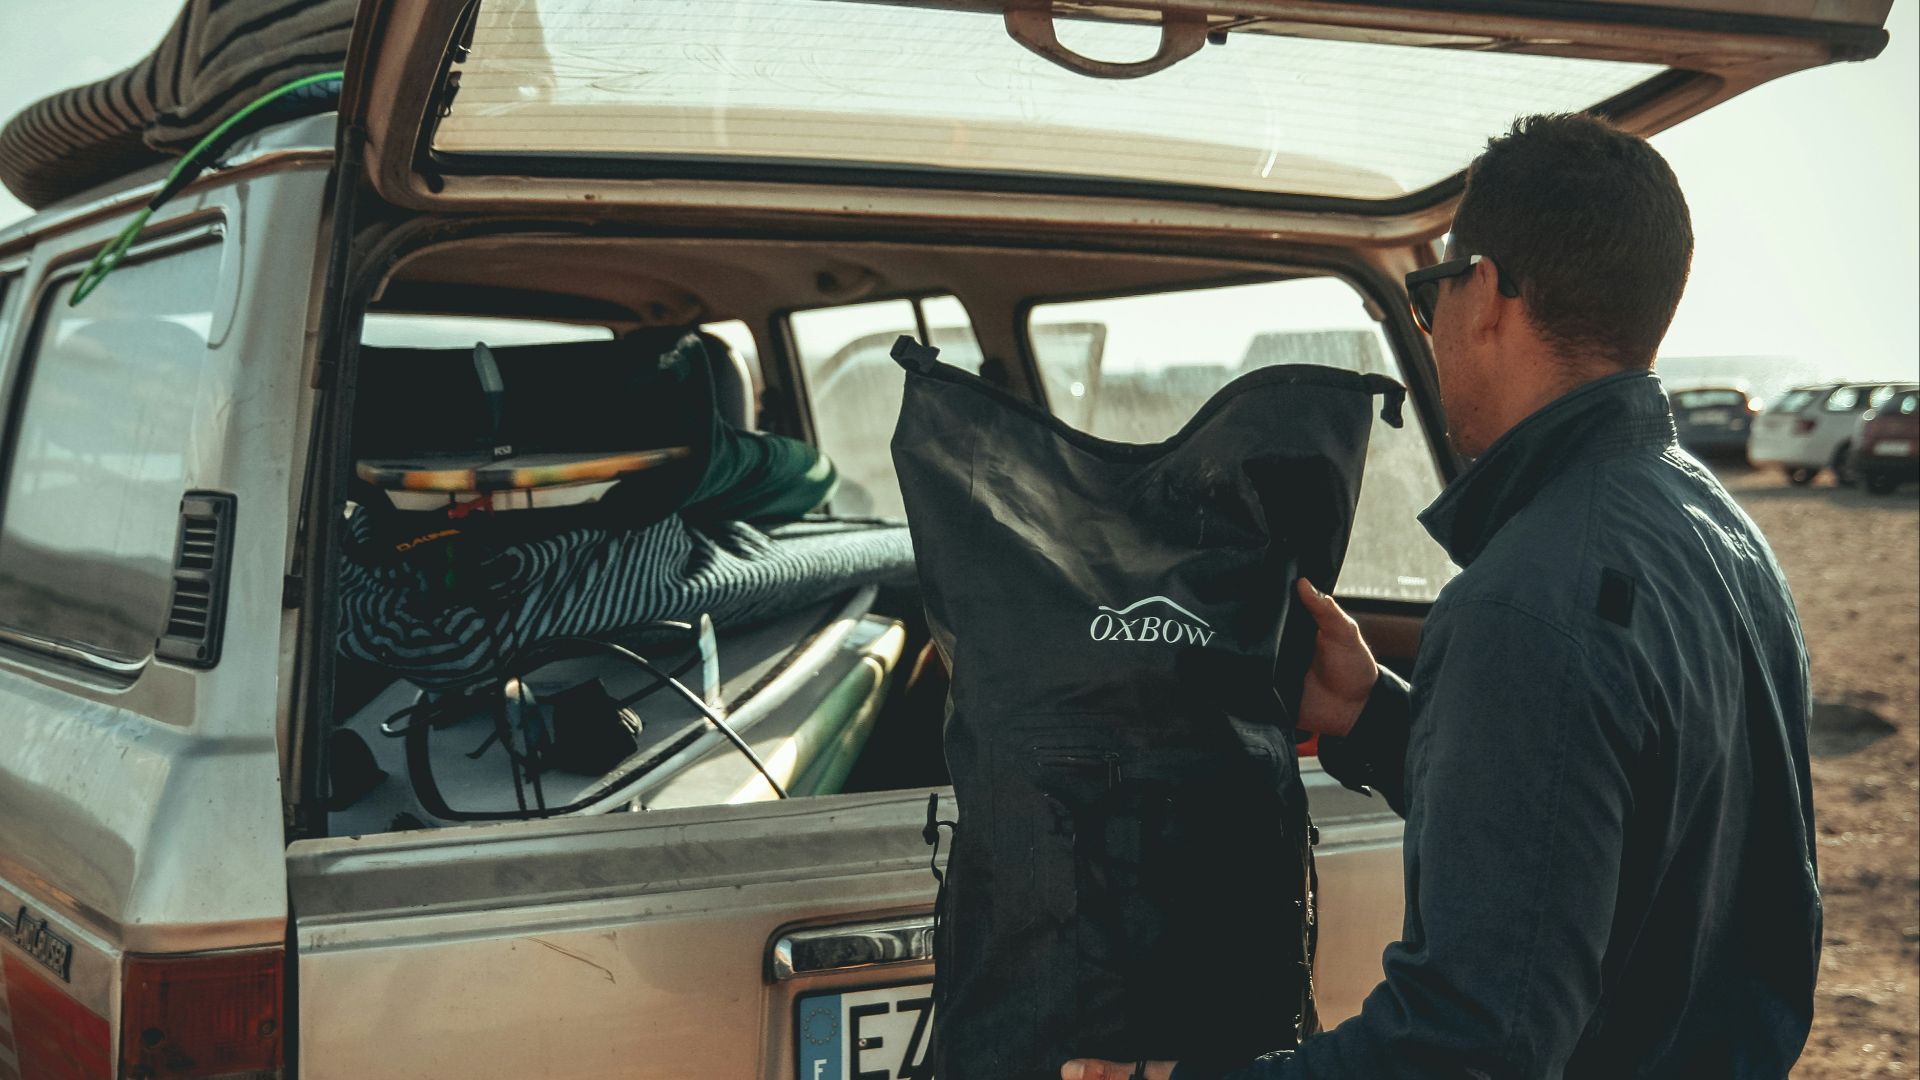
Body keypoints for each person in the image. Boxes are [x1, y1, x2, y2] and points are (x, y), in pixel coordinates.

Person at [1064, 113, 1819, 1080]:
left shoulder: (1526, 600)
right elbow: (1601, 844)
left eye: (1429, 297)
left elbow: (1467, 1051)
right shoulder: (1724, 534)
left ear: (1489, 293)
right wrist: (1370, 714)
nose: (1432, 329)